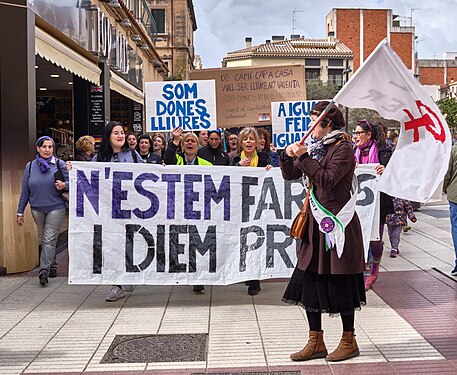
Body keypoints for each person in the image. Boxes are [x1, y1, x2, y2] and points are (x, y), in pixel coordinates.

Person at [280, 101, 365, 362]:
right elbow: (290, 175)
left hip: (337, 225)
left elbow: (327, 180)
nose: (310, 127)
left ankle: (348, 340)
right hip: (315, 226)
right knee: (311, 280)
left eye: (314, 121)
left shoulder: (344, 150)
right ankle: (315, 340)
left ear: (328, 124)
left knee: (341, 281)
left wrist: (304, 156)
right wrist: (286, 155)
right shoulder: (318, 148)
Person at [93, 122, 143, 301]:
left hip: (130, 208)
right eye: (116, 133)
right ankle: (117, 284)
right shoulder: (98, 159)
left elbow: (146, 174)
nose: (121, 136)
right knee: (113, 244)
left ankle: (128, 274)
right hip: (109, 209)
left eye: (122, 132)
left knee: (129, 242)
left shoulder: (133, 156)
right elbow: (88, 180)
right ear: (108, 136)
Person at [164, 127, 212, 292]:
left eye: (193, 141)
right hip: (177, 207)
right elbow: (167, 162)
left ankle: (197, 276)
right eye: (187, 141)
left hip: (197, 208)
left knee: (196, 241)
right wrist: (174, 141)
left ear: (197, 146)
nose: (190, 143)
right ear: (183, 145)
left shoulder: (206, 164)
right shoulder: (175, 159)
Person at [17, 136, 69, 285]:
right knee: (45, 239)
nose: (47, 150)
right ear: (38, 148)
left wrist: (64, 185)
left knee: (48, 239)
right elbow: (25, 191)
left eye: (50, 147)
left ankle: (43, 271)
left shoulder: (60, 164)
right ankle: (52, 265)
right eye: (44, 147)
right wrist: (20, 212)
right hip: (36, 208)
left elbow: (73, 183)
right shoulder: (30, 166)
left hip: (56, 207)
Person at [353, 119, 393, 290]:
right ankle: (363, 274)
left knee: (374, 241)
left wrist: (386, 171)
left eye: (358, 133)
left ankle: (375, 267)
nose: (355, 137)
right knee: (359, 240)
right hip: (356, 204)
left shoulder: (384, 152)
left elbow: (394, 176)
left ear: (368, 135)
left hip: (378, 204)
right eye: (353, 133)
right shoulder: (349, 152)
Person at [232, 127, 272, 295]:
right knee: (243, 239)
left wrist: (271, 170)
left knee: (255, 239)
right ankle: (247, 272)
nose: (248, 142)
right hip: (240, 207)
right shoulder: (234, 159)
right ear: (241, 143)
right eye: (245, 139)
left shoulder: (264, 158)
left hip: (259, 207)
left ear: (257, 142)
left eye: (251, 139)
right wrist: (237, 166)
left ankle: (254, 281)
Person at [443, 142, 457, 276]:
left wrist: (445, 188)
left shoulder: (454, 149)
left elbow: (447, 172)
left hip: (455, 195)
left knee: (456, 229)